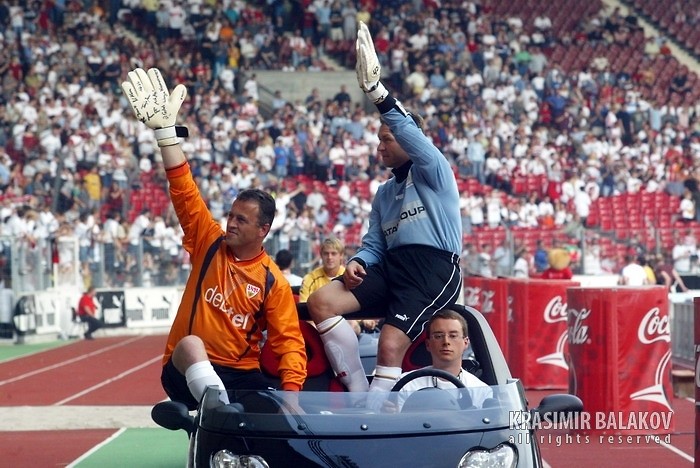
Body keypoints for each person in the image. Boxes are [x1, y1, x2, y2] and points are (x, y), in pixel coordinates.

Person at [121, 68, 306, 410]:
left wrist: (292, 397)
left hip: (241, 373)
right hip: (184, 367)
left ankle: (226, 420)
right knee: (191, 344)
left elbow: (289, 342)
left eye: (241, 220)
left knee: (276, 414)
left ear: (263, 230)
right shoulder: (208, 240)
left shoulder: (272, 281)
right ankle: (219, 415)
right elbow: (184, 191)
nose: (230, 223)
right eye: (231, 215)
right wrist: (166, 136)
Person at [307, 22, 462, 396]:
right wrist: (358, 260)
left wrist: (377, 93)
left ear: (411, 141)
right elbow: (375, 243)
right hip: (392, 267)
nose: (379, 147)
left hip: (433, 269)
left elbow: (409, 133)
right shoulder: (383, 193)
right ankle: (361, 395)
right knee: (320, 301)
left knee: (389, 344)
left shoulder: (435, 171)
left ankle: (376, 417)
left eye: (387, 139)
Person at [387, 309, 490, 412]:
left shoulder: (481, 390)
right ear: (428, 344)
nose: (446, 342)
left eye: (453, 336)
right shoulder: (406, 384)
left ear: (465, 343)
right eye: (438, 336)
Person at [299, 236, 346, 302]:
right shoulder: (310, 278)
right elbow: (303, 304)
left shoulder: (348, 276)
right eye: (326, 253)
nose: (329, 257)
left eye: (333, 254)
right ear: (321, 255)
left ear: (341, 256)